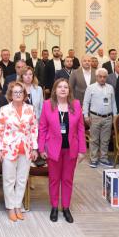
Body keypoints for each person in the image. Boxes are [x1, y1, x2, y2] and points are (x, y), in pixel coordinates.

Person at [38, 77, 85, 223]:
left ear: (69, 90)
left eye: (65, 87)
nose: (63, 89)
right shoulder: (47, 105)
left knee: (67, 179)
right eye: (60, 87)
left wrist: (82, 150)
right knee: (54, 179)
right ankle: (54, 207)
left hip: (71, 149)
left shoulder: (76, 104)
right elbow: (42, 127)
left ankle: (65, 207)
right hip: (53, 149)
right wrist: (41, 148)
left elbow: (81, 128)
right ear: (55, 90)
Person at [0, 80, 39, 222]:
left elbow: (34, 129)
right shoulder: (4, 109)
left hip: (26, 149)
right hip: (8, 149)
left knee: (22, 179)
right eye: (15, 92)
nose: (18, 94)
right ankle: (10, 207)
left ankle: (18, 205)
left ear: (24, 94)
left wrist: (35, 148)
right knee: (9, 179)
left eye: (20, 92)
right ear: (10, 94)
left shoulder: (30, 109)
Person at [82, 68, 116, 168]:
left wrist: (114, 115)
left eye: (104, 77)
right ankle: (94, 159)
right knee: (94, 139)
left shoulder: (110, 88)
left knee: (105, 140)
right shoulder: (90, 87)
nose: (102, 79)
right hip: (95, 117)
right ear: (96, 77)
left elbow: (113, 102)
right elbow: (86, 102)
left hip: (108, 117)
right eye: (100, 76)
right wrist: (86, 116)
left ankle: (103, 159)